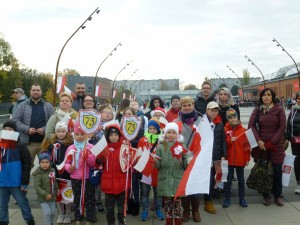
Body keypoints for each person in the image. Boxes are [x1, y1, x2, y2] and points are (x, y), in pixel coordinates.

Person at [248, 88, 286, 207]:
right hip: (262, 146)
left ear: (272, 97)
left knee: (277, 171)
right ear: (261, 97)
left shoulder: (279, 109)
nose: (266, 97)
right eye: (264, 95)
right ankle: (266, 196)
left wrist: (272, 142)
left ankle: (278, 195)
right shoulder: (257, 109)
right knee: (264, 171)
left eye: (269, 95)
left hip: (276, 146)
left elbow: (282, 127)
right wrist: (258, 140)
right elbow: (251, 126)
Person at [0, 120, 35, 225]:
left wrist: (25, 181)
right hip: (2, 182)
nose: (7, 131)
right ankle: (3, 220)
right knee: (2, 204)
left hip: (17, 182)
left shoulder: (21, 146)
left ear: (15, 131)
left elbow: (27, 164)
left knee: (22, 203)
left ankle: (29, 220)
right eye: (5, 129)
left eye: (10, 129)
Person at [174, 96, 202, 222]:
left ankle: (195, 211)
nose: (187, 107)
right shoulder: (176, 122)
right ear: (181, 107)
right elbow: (172, 140)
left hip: (197, 157)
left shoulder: (201, 120)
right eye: (184, 105)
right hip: (182, 158)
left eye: (189, 105)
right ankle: (186, 211)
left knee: (195, 186)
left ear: (193, 105)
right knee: (184, 185)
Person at [13, 83, 54, 166]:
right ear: (30, 92)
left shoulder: (48, 106)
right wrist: (27, 129)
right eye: (34, 90)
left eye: (38, 90)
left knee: (47, 168)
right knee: (26, 167)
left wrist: (44, 129)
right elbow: (15, 121)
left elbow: (53, 122)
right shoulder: (22, 106)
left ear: (41, 92)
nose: (36, 92)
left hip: (44, 143)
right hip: (28, 144)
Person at [155, 122, 187, 225]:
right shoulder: (160, 147)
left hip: (177, 179)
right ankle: (168, 221)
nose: (171, 135)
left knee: (177, 203)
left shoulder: (181, 146)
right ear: (165, 133)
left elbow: (185, 164)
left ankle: (178, 220)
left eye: (174, 132)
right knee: (168, 203)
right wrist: (153, 161)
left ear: (177, 134)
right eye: (169, 132)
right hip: (165, 179)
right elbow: (158, 164)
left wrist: (188, 161)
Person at [96, 124, 128, 225]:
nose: (113, 137)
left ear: (119, 136)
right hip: (108, 184)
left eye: (115, 135)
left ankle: (121, 223)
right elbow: (97, 163)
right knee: (109, 210)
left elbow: (129, 164)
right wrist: (101, 157)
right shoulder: (104, 149)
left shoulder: (124, 148)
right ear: (107, 137)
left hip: (121, 185)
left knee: (121, 210)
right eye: (111, 135)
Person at [64, 122, 96, 225]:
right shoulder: (71, 148)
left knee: (89, 199)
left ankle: (89, 218)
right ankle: (78, 217)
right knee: (77, 198)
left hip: (88, 178)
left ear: (87, 135)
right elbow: (66, 163)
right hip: (75, 178)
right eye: (77, 134)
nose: (80, 137)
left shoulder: (90, 147)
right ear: (74, 135)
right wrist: (70, 168)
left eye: (82, 134)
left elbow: (94, 163)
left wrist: (88, 157)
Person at [43, 121, 73, 224]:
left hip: (67, 173)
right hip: (56, 173)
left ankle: (68, 214)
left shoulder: (70, 144)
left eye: (63, 131)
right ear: (55, 132)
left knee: (68, 193)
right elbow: (46, 156)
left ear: (67, 131)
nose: (61, 133)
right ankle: (61, 213)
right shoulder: (52, 144)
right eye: (58, 131)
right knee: (59, 194)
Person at [223, 108, 250, 208]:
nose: (233, 119)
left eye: (234, 117)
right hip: (228, 160)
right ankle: (226, 199)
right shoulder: (225, 130)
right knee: (227, 180)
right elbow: (223, 145)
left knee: (241, 181)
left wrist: (247, 158)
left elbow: (247, 147)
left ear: (237, 117)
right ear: (227, 119)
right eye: (230, 118)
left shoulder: (243, 130)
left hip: (240, 159)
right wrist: (230, 140)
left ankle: (242, 198)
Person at [138, 118, 164, 221]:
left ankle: (158, 209)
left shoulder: (162, 141)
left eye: (154, 129)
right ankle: (145, 209)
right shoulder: (142, 140)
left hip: (158, 171)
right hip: (146, 171)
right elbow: (138, 154)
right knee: (145, 192)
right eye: (150, 128)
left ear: (158, 130)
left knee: (158, 193)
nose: (152, 130)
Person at [203, 101, 226, 214]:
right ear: (207, 110)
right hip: (204, 156)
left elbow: (223, 140)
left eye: (216, 110)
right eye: (212, 110)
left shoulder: (220, 123)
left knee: (212, 177)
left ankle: (208, 200)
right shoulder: (202, 122)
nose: (214, 112)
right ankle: (201, 198)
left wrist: (223, 155)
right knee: (204, 178)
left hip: (215, 156)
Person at [33, 152, 58, 225]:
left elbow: (54, 181)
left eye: (47, 162)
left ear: (50, 163)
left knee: (53, 213)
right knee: (47, 213)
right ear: (39, 163)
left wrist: (57, 188)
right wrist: (45, 194)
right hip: (43, 198)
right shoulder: (38, 174)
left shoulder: (52, 170)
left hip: (52, 196)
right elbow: (37, 187)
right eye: (42, 162)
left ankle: (50, 223)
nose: (44, 164)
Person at [286, 92, 300, 193]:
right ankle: (299, 183)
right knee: (297, 161)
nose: (299, 100)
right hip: (296, 141)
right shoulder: (293, 110)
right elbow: (288, 125)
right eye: (298, 98)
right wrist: (290, 137)